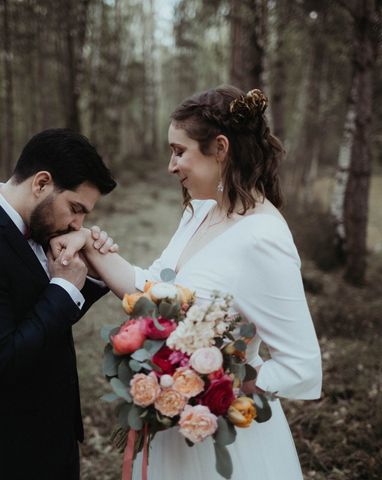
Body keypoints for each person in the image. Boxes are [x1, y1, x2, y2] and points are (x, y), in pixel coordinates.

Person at [51, 86, 323, 479]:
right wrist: (87, 242)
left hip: (223, 442)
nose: (171, 165)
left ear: (220, 148)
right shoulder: (200, 211)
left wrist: (207, 382)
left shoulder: (264, 238)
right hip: (173, 435)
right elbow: (151, 292)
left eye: (179, 151)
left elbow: (302, 367)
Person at [0, 128, 118, 480]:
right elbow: (3, 359)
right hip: (4, 453)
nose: (78, 224)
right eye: (76, 209)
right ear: (42, 183)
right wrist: (63, 287)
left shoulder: (39, 231)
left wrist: (87, 274)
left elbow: (42, 319)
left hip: (53, 440)